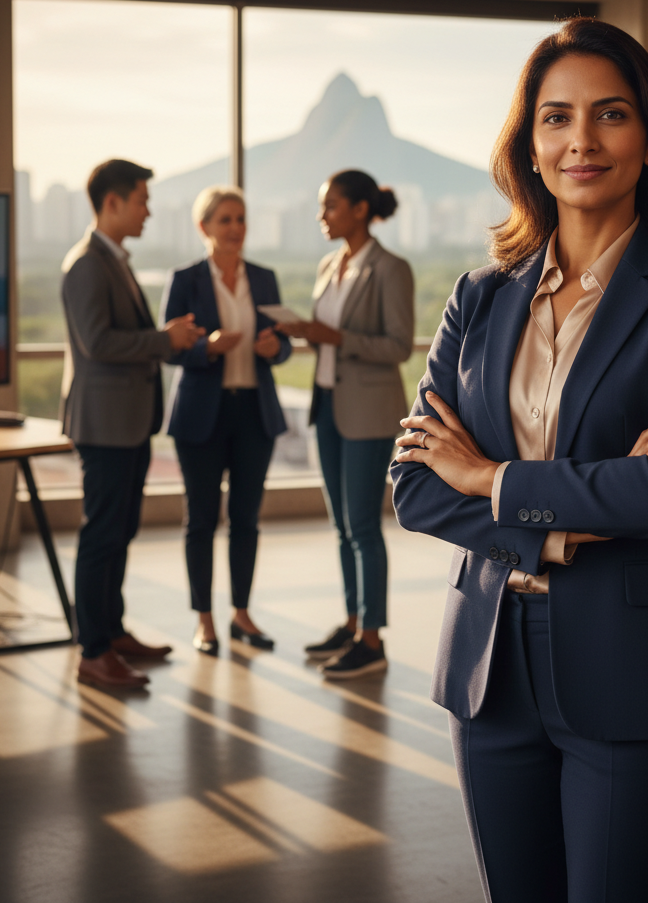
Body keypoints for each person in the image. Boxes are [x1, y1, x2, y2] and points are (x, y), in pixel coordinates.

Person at [391, 18, 648, 903]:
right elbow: (412, 486)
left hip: (637, 667)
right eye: (556, 118)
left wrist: (489, 477)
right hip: (491, 665)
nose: (581, 140)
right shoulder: (478, 297)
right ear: (530, 145)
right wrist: (561, 525)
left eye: (610, 114)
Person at [62, 159, 204, 691]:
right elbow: (98, 343)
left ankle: (112, 632)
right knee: (102, 535)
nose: (148, 209)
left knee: (119, 531)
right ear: (113, 201)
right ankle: (92, 651)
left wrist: (170, 340)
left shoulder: (112, 260)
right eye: (142, 199)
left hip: (125, 421)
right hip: (104, 424)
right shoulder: (86, 264)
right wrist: (164, 339)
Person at [275, 170, 413, 680]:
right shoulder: (330, 264)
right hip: (328, 407)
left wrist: (332, 334)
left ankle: (372, 641)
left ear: (359, 209)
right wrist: (308, 334)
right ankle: (353, 622)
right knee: (340, 526)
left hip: (368, 413)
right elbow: (329, 340)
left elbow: (398, 346)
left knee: (362, 527)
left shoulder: (390, 268)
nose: (321, 216)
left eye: (330, 206)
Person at [161, 186, 292, 655]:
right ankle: (203, 620)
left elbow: (284, 341)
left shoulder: (263, 277)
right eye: (225, 220)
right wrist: (205, 348)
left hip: (253, 412)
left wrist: (277, 349)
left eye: (240, 219)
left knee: (246, 520)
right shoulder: (186, 280)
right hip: (201, 414)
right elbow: (168, 348)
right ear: (204, 228)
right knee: (200, 520)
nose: (236, 228)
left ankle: (241, 613)